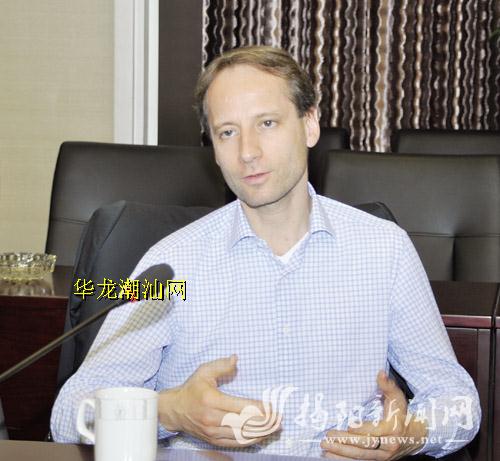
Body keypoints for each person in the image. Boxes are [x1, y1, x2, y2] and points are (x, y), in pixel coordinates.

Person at [51, 46, 480, 459]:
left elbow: (459, 404)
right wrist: (171, 411)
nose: (248, 152)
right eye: (227, 132)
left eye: (267, 123)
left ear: (310, 125)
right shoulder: (171, 267)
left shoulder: (385, 250)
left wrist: (410, 434)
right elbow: (70, 414)